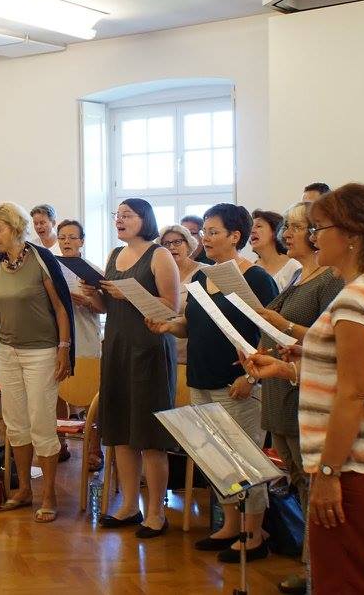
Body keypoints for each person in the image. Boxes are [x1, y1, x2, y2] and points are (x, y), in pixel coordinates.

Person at [243, 183, 364, 593]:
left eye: (319, 228)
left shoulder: (355, 298)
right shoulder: (362, 291)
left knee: (344, 580)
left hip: (350, 466)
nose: (313, 238)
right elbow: (347, 373)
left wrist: (329, 474)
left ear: (352, 236)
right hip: (354, 462)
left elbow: (353, 393)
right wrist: (288, 368)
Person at [148, 204, 278, 560]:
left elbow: (270, 333)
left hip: (237, 383)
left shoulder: (256, 278)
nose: (205, 238)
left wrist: (249, 376)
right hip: (201, 378)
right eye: (204, 231)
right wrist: (169, 325)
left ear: (235, 236)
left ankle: (254, 534)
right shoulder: (202, 278)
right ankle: (230, 525)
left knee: (246, 458)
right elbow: (193, 326)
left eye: (213, 232)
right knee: (217, 459)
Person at [251, 202, 342, 594]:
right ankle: (310, 565)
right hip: (279, 385)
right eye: (286, 226)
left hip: (303, 389)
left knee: (308, 483)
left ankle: (313, 569)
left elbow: (328, 341)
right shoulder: (297, 275)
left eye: (299, 227)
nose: (287, 233)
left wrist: (282, 325)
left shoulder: (330, 281)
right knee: (295, 477)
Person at [82, 198, 180, 538]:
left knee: (149, 435)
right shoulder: (113, 255)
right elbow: (105, 307)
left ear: (144, 219)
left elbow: (170, 307)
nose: (120, 220)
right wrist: (91, 295)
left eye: (127, 215)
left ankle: (156, 512)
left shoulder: (159, 255)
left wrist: (130, 295)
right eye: (117, 215)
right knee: (121, 431)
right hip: (118, 348)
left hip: (149, 349)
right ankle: (128, 505)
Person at [0, 203, 75, 521]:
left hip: (41, 352)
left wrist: (64, 348)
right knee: (15, 423)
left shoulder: (41, 259)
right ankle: (25, 489)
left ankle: (49, 494)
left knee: (41, 422)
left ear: (15, 228)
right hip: (8, 352)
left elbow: (61, 307)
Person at [57, 219, 103, 469]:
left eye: (72, 237)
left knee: (88, 395)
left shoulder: (92, 270)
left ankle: (94, 448)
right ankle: (59, 444)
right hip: (57, 339)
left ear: (82, 241)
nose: (67, 242)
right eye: (62, 237)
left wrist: (87, 301)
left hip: (85, 338)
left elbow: (104, 307)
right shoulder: (52, 269)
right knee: (57, 393)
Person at [158, 224, 208, 365]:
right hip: (163, 348)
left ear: (188, 245)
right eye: (166, 244)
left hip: (193, 350)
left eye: (177, 242)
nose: (171, 247)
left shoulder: (205, 272)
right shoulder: (157, 275)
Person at [252, 209, 302, 291]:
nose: (252, 231)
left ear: (275, 231)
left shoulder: (294, 267)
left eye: (258, 226)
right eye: (251, 227)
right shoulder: (250, 268)